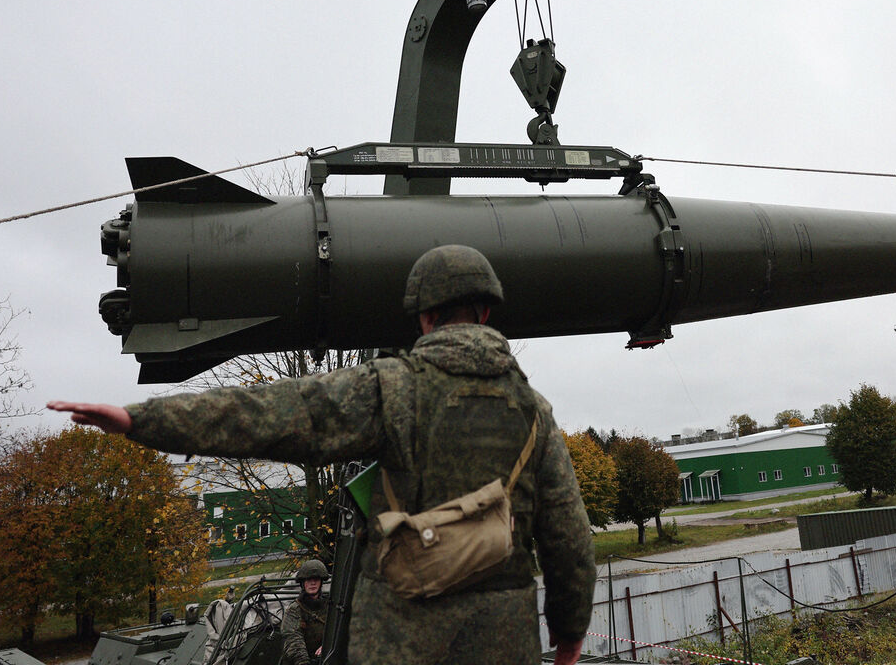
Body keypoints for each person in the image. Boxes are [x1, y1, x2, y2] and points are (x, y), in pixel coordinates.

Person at [48, 244, 595, 665]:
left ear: (423, 316)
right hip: (503, 638)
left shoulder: (392, 388)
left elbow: (271, 414)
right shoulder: (534, 411)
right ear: (487, 312)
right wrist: (569, 634)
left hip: (400, 637)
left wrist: (142, 420)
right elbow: (570, 541)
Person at [282, 560, 329, 665]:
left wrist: (328, 646)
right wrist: (304, 662)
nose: (313, 583)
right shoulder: (294, 610)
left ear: (321, 582)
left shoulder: (330, 606)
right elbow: (293, 640)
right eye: (308, 579)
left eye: (316, 579)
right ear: (302, 583)